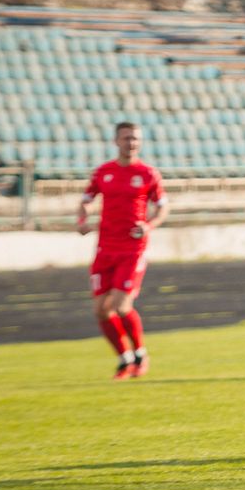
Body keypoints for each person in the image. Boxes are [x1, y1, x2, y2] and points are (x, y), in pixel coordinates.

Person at [78, 122, 168, 380]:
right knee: (100, 310)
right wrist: (83, 219)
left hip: (132, 249)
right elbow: (86, 201)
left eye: (136, 139)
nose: (132, 143)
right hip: (105, 248)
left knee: (120, 304)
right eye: (127, 138)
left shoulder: (149, 174)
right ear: (116, 141)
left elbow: (162, 207)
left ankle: (140, 353)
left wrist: (149, 225)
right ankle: (124, 358)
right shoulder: (103, 172)